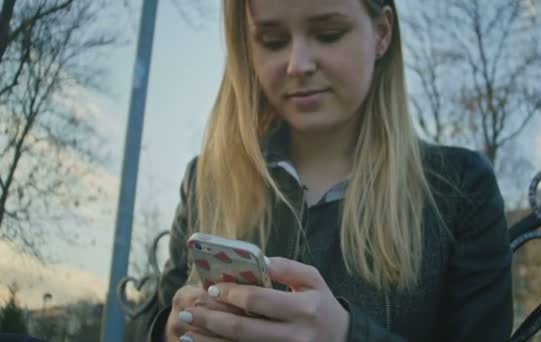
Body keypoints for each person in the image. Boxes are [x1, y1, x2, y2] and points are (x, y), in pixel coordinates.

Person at [145, 0, 513, 341]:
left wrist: (347, 335)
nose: (298, 64)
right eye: (273, 41)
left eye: (328, 34)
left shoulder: (459, 187)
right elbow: (153, 319)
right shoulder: (207, 182)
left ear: (382, 33)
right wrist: (169, 330)